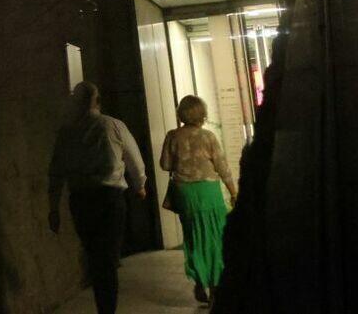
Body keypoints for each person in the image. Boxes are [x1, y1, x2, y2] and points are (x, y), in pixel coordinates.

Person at [48, 82, 147, 314]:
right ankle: (107, 307)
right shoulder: (113, 125)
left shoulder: (67, 132)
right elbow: (134, 159)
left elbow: (56, 172)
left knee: (94, 254)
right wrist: (140, 185)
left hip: (81, 199)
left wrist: (53, 207)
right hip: (109, 198)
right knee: (108, 257)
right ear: (98, 101)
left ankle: (103, 302)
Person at [160, 95, 237, 305]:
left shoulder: (172, 136)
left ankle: (199, 280)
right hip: (208, 192)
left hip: (185, 194)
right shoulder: (208, 137)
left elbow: (165, 165)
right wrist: (233, 192)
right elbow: (222, 167)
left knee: (193, 236)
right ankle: (215, 287)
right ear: (202, 114)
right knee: (214, 237)